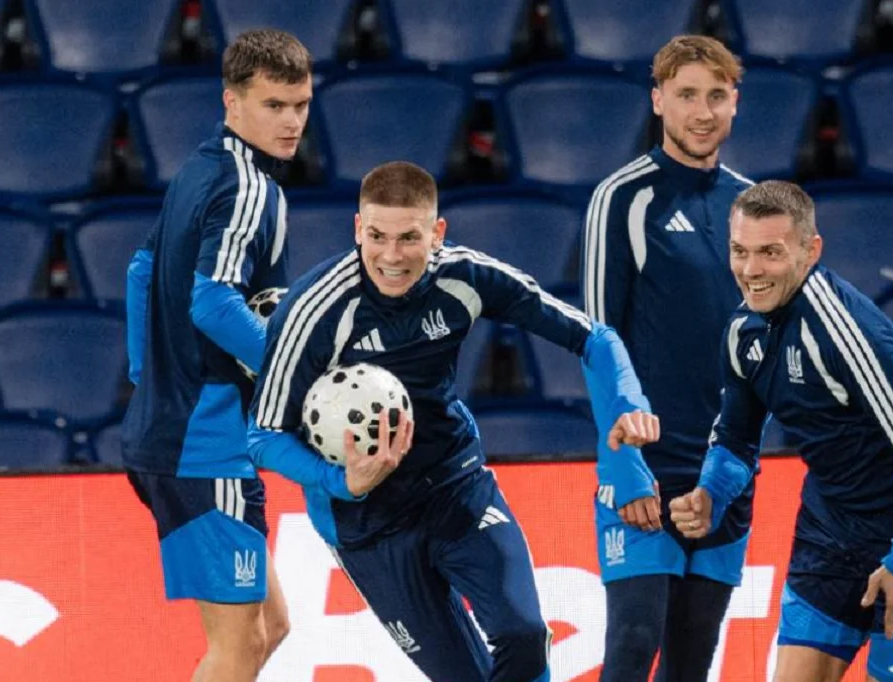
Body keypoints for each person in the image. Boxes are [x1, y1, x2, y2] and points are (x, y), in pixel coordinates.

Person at [247, 160, 661, 682]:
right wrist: (341, 482)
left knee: (523, 636)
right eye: (376, 236)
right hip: (366, 523)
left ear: (437, 233)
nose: (391, 256)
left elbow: (594, 338)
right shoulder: (313, 311)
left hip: (455, 486)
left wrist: (627, 403)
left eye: (408, 238)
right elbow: (264, 436)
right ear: (357, 228)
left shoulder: (466, 276)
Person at [669, 181, 893, 682]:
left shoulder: (842, 328)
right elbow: (736, 440)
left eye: (770, 252)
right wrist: (710, 493)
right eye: (740, 251)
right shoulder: (742, 333)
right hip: (830, 534)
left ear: (810, 251)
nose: (751, 270)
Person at [121, 29, 312, 682]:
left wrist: (149, 377)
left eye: (300, 105)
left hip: (172, 429)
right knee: (235, 645)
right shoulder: (250, 188)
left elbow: (140, 270)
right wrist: (292, 372)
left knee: (271, 627)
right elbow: (211, 302)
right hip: (205, 444)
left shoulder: (198, 169)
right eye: (273, 105)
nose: (291, 122)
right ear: (232, 101)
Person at [580, 34, 753, 681]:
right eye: (685, 95)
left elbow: (762, 348)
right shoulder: (622, 198)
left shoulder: (751, 206)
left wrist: (734, 466)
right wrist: (623, 466)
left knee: (690, 662)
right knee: (632, 642)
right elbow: (598, 340)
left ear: (735, 102)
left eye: (715, 96)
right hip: (645, 466)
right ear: (657, 101)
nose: (702, 112)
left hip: (723, 473)